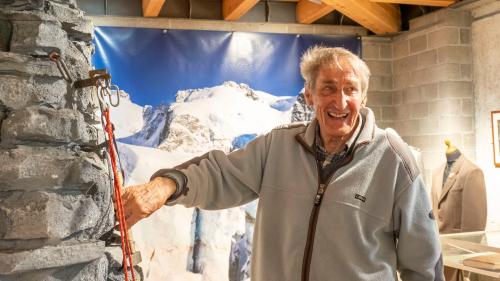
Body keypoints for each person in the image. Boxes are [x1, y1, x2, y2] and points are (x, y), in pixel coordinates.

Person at [122, 46, 444, 281]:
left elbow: (425, 267)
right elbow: (221, 173)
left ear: (364, 97)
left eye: (350, 90)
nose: (340, 101)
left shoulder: (394, 161)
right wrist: (167, 184)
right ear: (309, 96)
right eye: (328, 88)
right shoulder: (278, 146)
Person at [431, 139, 487, 281]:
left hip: (459, 257)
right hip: (438, 254)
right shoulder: (437, 173)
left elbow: (475, 226)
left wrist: (467, 264)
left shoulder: (472, 172)